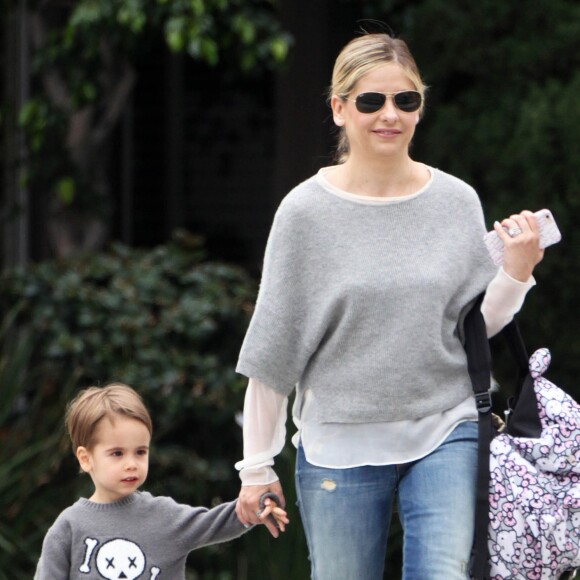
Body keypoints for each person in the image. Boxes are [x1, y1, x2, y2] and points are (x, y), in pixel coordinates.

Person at [233, 31, 545, 579]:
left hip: (445, 428)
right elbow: (273, 350)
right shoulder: (305, 213)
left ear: (421, 107)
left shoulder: (455, 201)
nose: (389, 115)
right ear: (338, 109)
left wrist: (517, 271)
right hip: (338, 444)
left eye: (406, 100)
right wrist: (256, 467)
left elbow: (474, 326)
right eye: (370, 101)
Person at [34, 382, 288, 579]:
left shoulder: (164, 516)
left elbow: (218, 522)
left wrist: (258, 505)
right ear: (85, 458)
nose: (131, 463)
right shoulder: (68, 527)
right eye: (117, 453)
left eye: (140, 451)